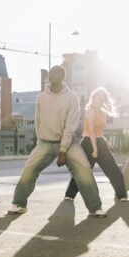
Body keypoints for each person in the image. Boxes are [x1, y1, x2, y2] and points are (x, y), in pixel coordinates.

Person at [8, 65, 107, 217]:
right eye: (51, 72)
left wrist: (62, 150)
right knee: (29, 168)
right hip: (46, 142)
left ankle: (95, 207)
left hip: (68, 143)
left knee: (84, 169)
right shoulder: (41, 97)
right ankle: (19, 204)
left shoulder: (71, 97)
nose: (53, 74)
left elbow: (71, 126)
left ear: (63, 77)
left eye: (57, 72)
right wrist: (40, 141)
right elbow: (38, 121)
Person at [64, 87, 128, 202]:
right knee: (83, 171)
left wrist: (104, 140)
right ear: (93, 97)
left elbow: (98, 131)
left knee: (113, 169)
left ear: (104, 99)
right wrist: (95, 149)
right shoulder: (90, 110)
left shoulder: (102, 112)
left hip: (99, 141)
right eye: (97, 96)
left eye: (102, 96)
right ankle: (70, 195)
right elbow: (91, 130)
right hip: (88, 143)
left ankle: (122, 195)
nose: (99, 98)